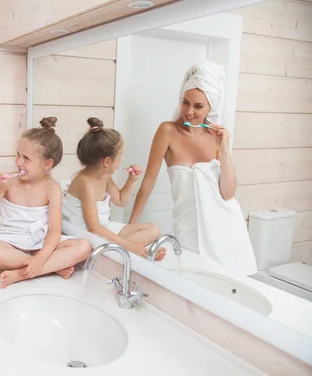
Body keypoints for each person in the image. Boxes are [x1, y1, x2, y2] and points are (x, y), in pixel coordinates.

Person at [129, 61, 257, 275]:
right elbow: (148, 182)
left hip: (227, 227)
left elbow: (228, 193)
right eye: (185, 102)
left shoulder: (215, 137)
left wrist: (224, 147)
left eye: (198, 106)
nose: (189, 111)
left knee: (231, 290)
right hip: (189, 227)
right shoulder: (168, 131)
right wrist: (131, 226)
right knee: (194, 280)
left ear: (211, 107)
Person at [0, 117, 92, 288]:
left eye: (26, 158)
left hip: (41, 243)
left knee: (84, 246)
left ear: (47, 164)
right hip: (11, 242)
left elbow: (54, 232)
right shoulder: (7, 183)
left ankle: (22, 274)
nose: (18, 162)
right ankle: (50, 268)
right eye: (18, 155)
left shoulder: (52, 188)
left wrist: (41, 256)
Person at [62, 117, 165, 260]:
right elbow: (94, 228)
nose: (121, 160)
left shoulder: (105, 176)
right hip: (87, 234)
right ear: (107, 161)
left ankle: (130, 249)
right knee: (128, 243)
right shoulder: (85, 183)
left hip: (104, 228)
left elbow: (121, 200)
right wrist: (131, 246)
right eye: (120, 156)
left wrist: (131, 180)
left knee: (154, 229)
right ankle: (134, 250)